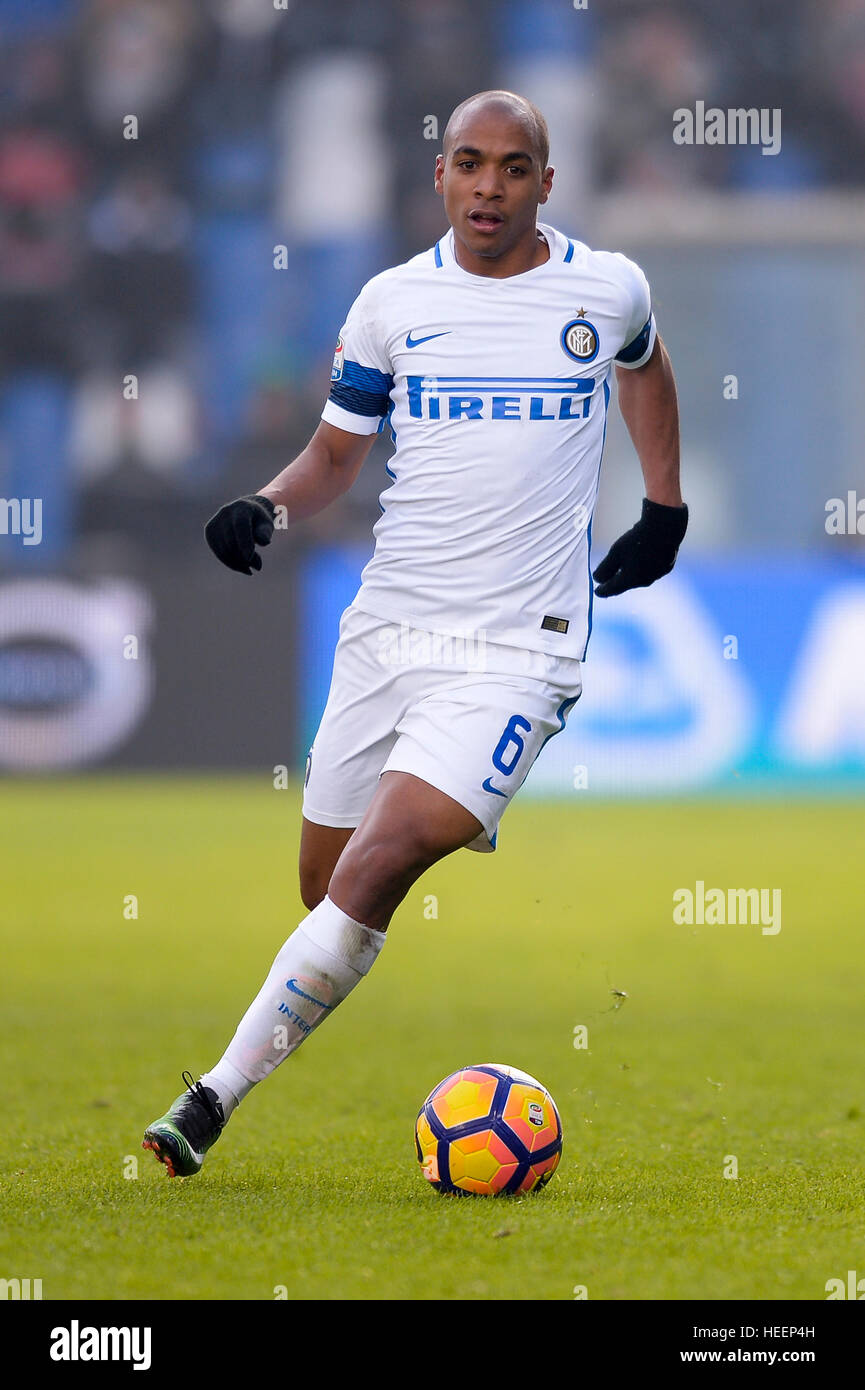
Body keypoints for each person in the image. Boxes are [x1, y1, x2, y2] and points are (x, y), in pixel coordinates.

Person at [142, 90, 687, 1177]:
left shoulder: (606, 287)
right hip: (389, 629)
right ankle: (318, 975)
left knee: (380, 861)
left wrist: (663, 508)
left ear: (546, 181)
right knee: (328, 887)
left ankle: (210, 1097)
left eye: (513, 167)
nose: (489, 186)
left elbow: (645, 371)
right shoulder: (392, 303)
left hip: (521, 649)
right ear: (438, 175)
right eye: (469, 163)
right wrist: (270, 504)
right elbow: (336, 453)